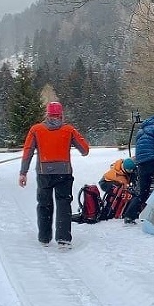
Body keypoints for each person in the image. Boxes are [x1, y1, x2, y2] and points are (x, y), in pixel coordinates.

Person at [18, 101, 90, 247]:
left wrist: (23, 172)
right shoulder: (69, 130)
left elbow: (27, 152)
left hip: (44, 173)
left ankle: (44, 238)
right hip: (64, 172)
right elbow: (85, 150)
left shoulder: (36, 130)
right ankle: (63, 238)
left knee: (44, 204)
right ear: (61, 115)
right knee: (63, 203)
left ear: (47, 114)